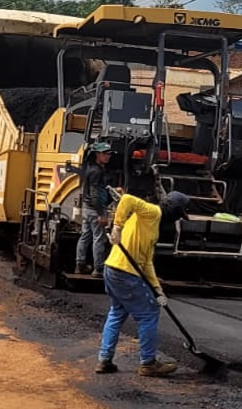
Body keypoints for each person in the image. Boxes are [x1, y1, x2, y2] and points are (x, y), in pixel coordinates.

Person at [96, 190, 190, 377]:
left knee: (117, 312)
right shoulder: (153, 212)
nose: (175, 220)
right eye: (178, 215)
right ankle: (148, 363)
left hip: (113, 269)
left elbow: (146, 262)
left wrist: (157, 289)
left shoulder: (153, 228)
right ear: (173, 210)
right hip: (124, 272)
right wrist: (117, 227)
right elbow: (127, 199)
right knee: (149, 313)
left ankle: (104, 360)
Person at [75, 142, 113, 277]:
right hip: (94, 210)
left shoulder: (90, 168)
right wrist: (102, 214)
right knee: (99, 238)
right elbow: (95, 194)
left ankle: (80, 264)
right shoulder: (97, 171)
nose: (107, 156)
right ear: (97, 155)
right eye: (104, 154)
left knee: (85, 236)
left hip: (87, 208)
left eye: (108, 154)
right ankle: (98, 269)